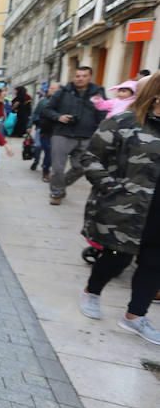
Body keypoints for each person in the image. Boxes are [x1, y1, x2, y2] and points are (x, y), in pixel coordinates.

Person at [78, 72, 160, 346]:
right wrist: (110, 186)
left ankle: (135, 316)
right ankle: (92, 291)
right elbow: (89, 156)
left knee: (154, 263)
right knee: (118, 258)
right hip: (127, 207)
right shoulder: (125, 121)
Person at [43, 66, 106, 205]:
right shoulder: (62, 92)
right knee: (57, 168)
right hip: (62, 134)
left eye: (84, 76)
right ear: (74, 77)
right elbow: (47, 109)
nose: (80, 78)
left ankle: (62, 184)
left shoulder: (98, 93)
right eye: (77, 76)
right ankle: (56, 193)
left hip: (87, 135)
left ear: (90, 77)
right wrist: (58, 117)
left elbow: (103, 112)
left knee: (81, 167)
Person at [28, 83, 60, 182]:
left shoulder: (62, 103)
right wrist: (30, 125)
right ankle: (38, 162)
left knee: (50, 153)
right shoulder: (43, 102)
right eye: (50, 88)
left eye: (53, 88)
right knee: (39, 147)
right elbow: (35, 113)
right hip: (43, 129)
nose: (51, 89)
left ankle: (46, 167)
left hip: (57, 132)